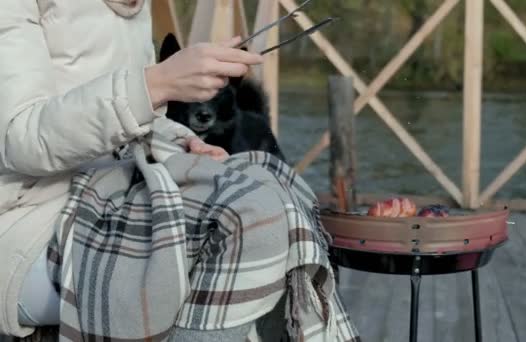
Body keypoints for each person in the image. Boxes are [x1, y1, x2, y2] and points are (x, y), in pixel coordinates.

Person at [0, 1, 358, 341]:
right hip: (28, 219)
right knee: (251, 216)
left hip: (111, 190)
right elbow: (19, 136)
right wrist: (158, 83)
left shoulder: (133, 8)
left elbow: (135, 120)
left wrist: (183, 141)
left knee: (275, 183)